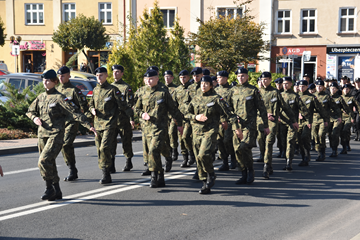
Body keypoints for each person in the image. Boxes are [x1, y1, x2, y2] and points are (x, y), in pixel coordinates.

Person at [26, 69, 96, 201]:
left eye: (48, 80)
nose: (45, 83)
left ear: (54, 82)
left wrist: (89, 126)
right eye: (44, 80)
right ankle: (57, 190)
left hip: (55, 134)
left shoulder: (60, 98)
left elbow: (75, 112)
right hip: (42, 134)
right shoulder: (40, 97)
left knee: (43, 160)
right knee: (50, 162)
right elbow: (30, 111)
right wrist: (34, 118)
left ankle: (49, 188)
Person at [185, 75, 243, 194]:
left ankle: (211, 173)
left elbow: (230, 114)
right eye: (202, 83)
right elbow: (186, 113)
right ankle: (205, 182)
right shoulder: (195, 98)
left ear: (211, 85)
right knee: (198, 158)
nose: (203, 85)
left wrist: (237, 129)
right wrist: (196, 117)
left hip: (210, 131)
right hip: (196, 132)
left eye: (206, 83)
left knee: (203, 154)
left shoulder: (217, 99)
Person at [134, 70, 184, 188]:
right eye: (146, 79)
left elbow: (173, 109)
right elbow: (136, 109)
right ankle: (161, 172)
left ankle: (154, 176)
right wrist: (142, 115)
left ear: (157, 79)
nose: (148, 81)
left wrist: (179, 124)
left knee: (153, 150)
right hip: (147, 128)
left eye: (151, 79)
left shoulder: (163, 93)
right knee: (158, 149)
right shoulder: (142, 93)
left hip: (160, 127)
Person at [89, 67, 132, 184]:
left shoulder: (113, 90)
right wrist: (92, 109)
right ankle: (107, 169)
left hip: (110, 124)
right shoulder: (95, 90)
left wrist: (132, 118)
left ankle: (106, 173)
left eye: (101, 75)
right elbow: (90, 104)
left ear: (106, 76)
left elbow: (123, 105)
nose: (99, 77)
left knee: (105, 148)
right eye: (97, 76)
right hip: (98, 125)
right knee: (99, 149)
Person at [227, 67, 269, 184]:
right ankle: (243, 173)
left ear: (247, 77)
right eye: (239, 76)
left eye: (243, 76)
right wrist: (233, 120)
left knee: (244, 147)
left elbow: (262, 109)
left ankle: (250, 170)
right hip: (237, 126)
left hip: (249, 125)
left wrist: (266, 125)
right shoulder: (232, 90)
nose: (241, 78)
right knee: (237, 151)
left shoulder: (253, 90)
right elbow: (228, 108)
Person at [259, 72, 298, 179]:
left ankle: (266, 167)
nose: (264, 81)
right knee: (261, 143)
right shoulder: (257, 92)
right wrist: (265, 114)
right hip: (260, 122)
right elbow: (252, 109)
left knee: (269, 143)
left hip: (272, 123)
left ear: (270, 80)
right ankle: (269, 164)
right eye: (262, 80)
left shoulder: (275, 92)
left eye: (266, 79)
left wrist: (294, 120)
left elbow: (285, 107)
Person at [56, 66, 92, 181]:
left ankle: (72, 169)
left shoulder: (74, 90)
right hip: (60, 123)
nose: (61, 78)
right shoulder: (56, 90)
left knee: (66, 144)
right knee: (62, 145)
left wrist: (88, 122)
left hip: (72, 121)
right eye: (59, 76)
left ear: (68, 76)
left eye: (63, 76)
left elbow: (84, 107)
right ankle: (71, 167)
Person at [297, 80, 328, 166]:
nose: (301, 88)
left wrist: (325, 120)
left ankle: (308, 156)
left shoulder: (311, 97)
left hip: (309, 121)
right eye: (300, 86)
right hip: (297, 122)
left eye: (303, 86)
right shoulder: (296, 96)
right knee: (299, 140)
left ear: (307, 86)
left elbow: (320, 109)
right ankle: (304, 156)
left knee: (305, 137)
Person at [280, 77, 309, 170]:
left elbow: (303, 108)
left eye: (287, 83)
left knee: (290, 141)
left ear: (291, 84)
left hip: (293, 123)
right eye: (284, 83)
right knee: (283, 142)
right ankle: (286, 159)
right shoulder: (279, 95)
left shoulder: (295, 96)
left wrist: (308, 120)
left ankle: (289, 162)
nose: (285, 85)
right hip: (282, 122)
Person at [110, 65, 135, 173]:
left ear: (122, 73)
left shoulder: (126, 87)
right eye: (114, 72)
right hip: (112, 120)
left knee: (126, 141)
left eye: (117, 72)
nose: (115, 73)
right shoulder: (109, 87)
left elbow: (129, 104)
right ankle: (111, 164)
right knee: (111, 142)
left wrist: (131, 118)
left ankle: (128, 160)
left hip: (124, 119)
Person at [312, 79, 340, 162]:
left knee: (321, 135)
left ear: (323, 87)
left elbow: (335, 107)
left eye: (320, 86)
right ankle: (319, 151)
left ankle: (322, 153)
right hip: (314, 119)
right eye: (317, 86)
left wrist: (338, 116)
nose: (319, 88)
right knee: (315, 136)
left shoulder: (327, 97)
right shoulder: (313, 96)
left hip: (324, 119)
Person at [172, 70, 194, 168]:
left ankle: (192, 154)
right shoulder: (177, 90)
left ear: (188, 77)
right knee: (181, 139)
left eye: (184, 77)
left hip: (191, 118)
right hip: (181, 118)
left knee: (187, 137)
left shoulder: (192, 88)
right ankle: (185, 158)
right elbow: (173, 105)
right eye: (181, 77)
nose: (182, 79)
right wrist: (175, 117)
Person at [215, 70, 236, 171]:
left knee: (228, 140)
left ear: (226, 78)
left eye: (220, 77)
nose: (218, 79)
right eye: (217, 77)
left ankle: (233, 157)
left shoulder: (232, 90)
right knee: (219, 142)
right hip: (218, 121)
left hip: (229, 120)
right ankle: (224, 162)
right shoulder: (215, 90)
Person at [328, 82, 351, 157]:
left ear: (337, 89)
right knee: (330, 134)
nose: (332, 90)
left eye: (334, 88)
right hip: (328, 118)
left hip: (337, 118)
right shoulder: (327, 97)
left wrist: (347, 114)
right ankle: (333, 148)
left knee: (335, 133)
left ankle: (335, 150)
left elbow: (346, 108)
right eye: (331, 88)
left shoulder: (340, 98)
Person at [164, 70, 179, 161]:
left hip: (173, 115)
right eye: (165, 77)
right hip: (164, 115)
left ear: (172, 78)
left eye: (169, 76)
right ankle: (169, 151)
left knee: (172, 133)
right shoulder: (161, 88)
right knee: (166, 135)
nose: (167, 78)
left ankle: (174, 150)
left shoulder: (176, 89)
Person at [340, 84, 360, 154]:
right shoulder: (340, 98)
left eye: (347, 89)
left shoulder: (352, 98)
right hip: (341, 117)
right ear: (342, 90)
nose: (346, 90)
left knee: (345, 130)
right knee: (342, 132)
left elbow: (358, 106)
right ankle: (344, 145)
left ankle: (346, 145)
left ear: (349, 90)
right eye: (345, 89)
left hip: (349, 117)